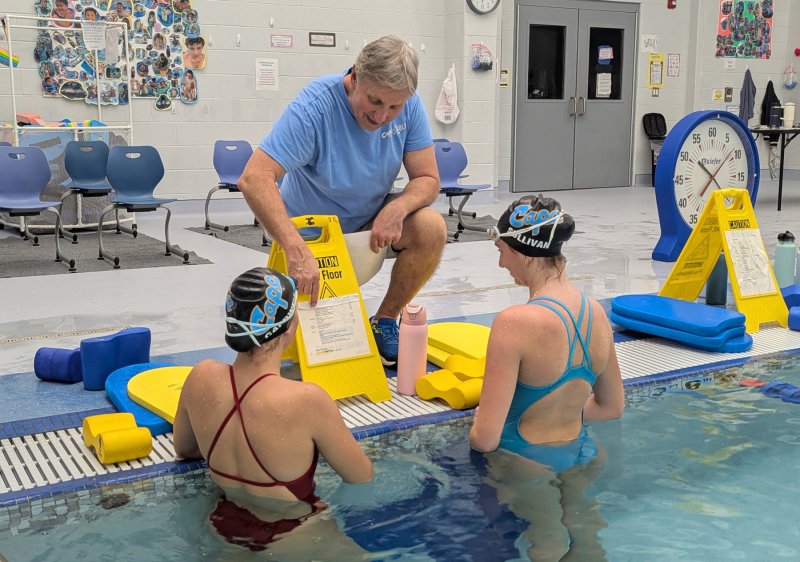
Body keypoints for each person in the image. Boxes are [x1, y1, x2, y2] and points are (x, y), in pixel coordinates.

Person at [237, 35, 446, 367]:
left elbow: (427, 179)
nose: (381, 116)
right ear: (355, 76)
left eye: (394, 107)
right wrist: (293, 245)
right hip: (310, 234)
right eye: (374, 101)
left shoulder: (411, 105)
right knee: (309, 353)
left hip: (369, 224)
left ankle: (386, 320)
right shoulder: (315, 107)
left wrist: (398, 207)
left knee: (431, 227)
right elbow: (254, 177)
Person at [468, 195, 624, 559]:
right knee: (588, 540)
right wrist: (563, 410)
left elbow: (486, 440)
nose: (501, 262)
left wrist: (477, 421)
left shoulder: (514, 324)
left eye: (501, 250)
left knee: (547, 542)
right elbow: (612, 407)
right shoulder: (597, 314)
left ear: (523, 253)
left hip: (528, 463)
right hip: (584, 453)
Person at [173, 267, 373, 551]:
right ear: (289, 327)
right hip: (294, 534)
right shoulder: (307, 399)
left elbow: (184, 450)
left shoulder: (200, 376)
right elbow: (361, 478)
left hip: (224, 525)